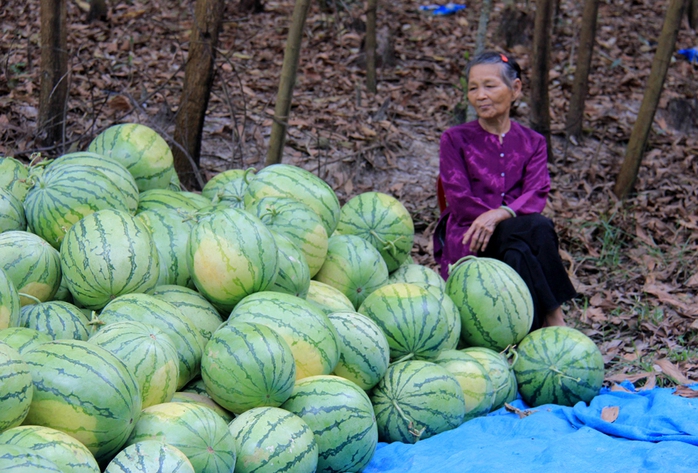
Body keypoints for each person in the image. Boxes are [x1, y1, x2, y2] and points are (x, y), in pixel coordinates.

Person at [433, 51, 577, 330]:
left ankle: (528, 330)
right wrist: (497, 217)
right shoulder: (455, 139)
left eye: (490, 86)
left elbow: (537, 191)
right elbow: (459, 200)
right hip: (471, 237)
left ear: (516, 88)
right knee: (537, 226)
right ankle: (556, 316)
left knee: (518, 251)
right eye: (473, 88)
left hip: (516, 236)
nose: (480, 95)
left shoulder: (532, 142)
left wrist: (500, 214)